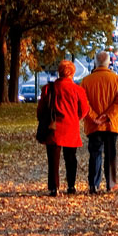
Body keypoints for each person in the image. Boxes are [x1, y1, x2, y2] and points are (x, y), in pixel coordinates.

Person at [37, 60, 90, 196]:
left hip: (53, 128)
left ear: (59, 72)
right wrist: (75, 117)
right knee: (71, 158)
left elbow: (41, 109)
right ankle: (71, 185)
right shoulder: (78, 90)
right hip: (70, 128)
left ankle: (54, 187)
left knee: (53, 160)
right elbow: (84, 109)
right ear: (72, 73)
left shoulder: (49, 89)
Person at [82, 50, 118, 193]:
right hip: (111, 124)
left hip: (93, 124)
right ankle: (111, 183)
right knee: (110, 153)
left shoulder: (86, 82)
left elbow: (83, 103)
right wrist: (108, 116)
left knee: (94, 153)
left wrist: (94, 117)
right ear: (108, 63)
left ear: (96, 62)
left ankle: (94, 184)